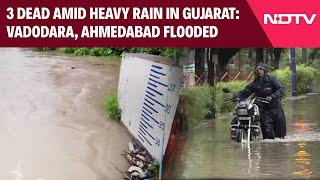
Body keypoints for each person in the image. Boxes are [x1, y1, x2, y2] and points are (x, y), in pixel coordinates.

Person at [229, 63, 286, 139]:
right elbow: (245, 91)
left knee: (280, 134)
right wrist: (234, 97)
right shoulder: (255, 83)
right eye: (257, 70)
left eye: (261, 69)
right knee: (267, 134)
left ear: (264, 70)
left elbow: (281, 89)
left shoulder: (272, 79)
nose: (259, 71)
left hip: (276, 108)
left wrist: (272, 96)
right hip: (264, 110)